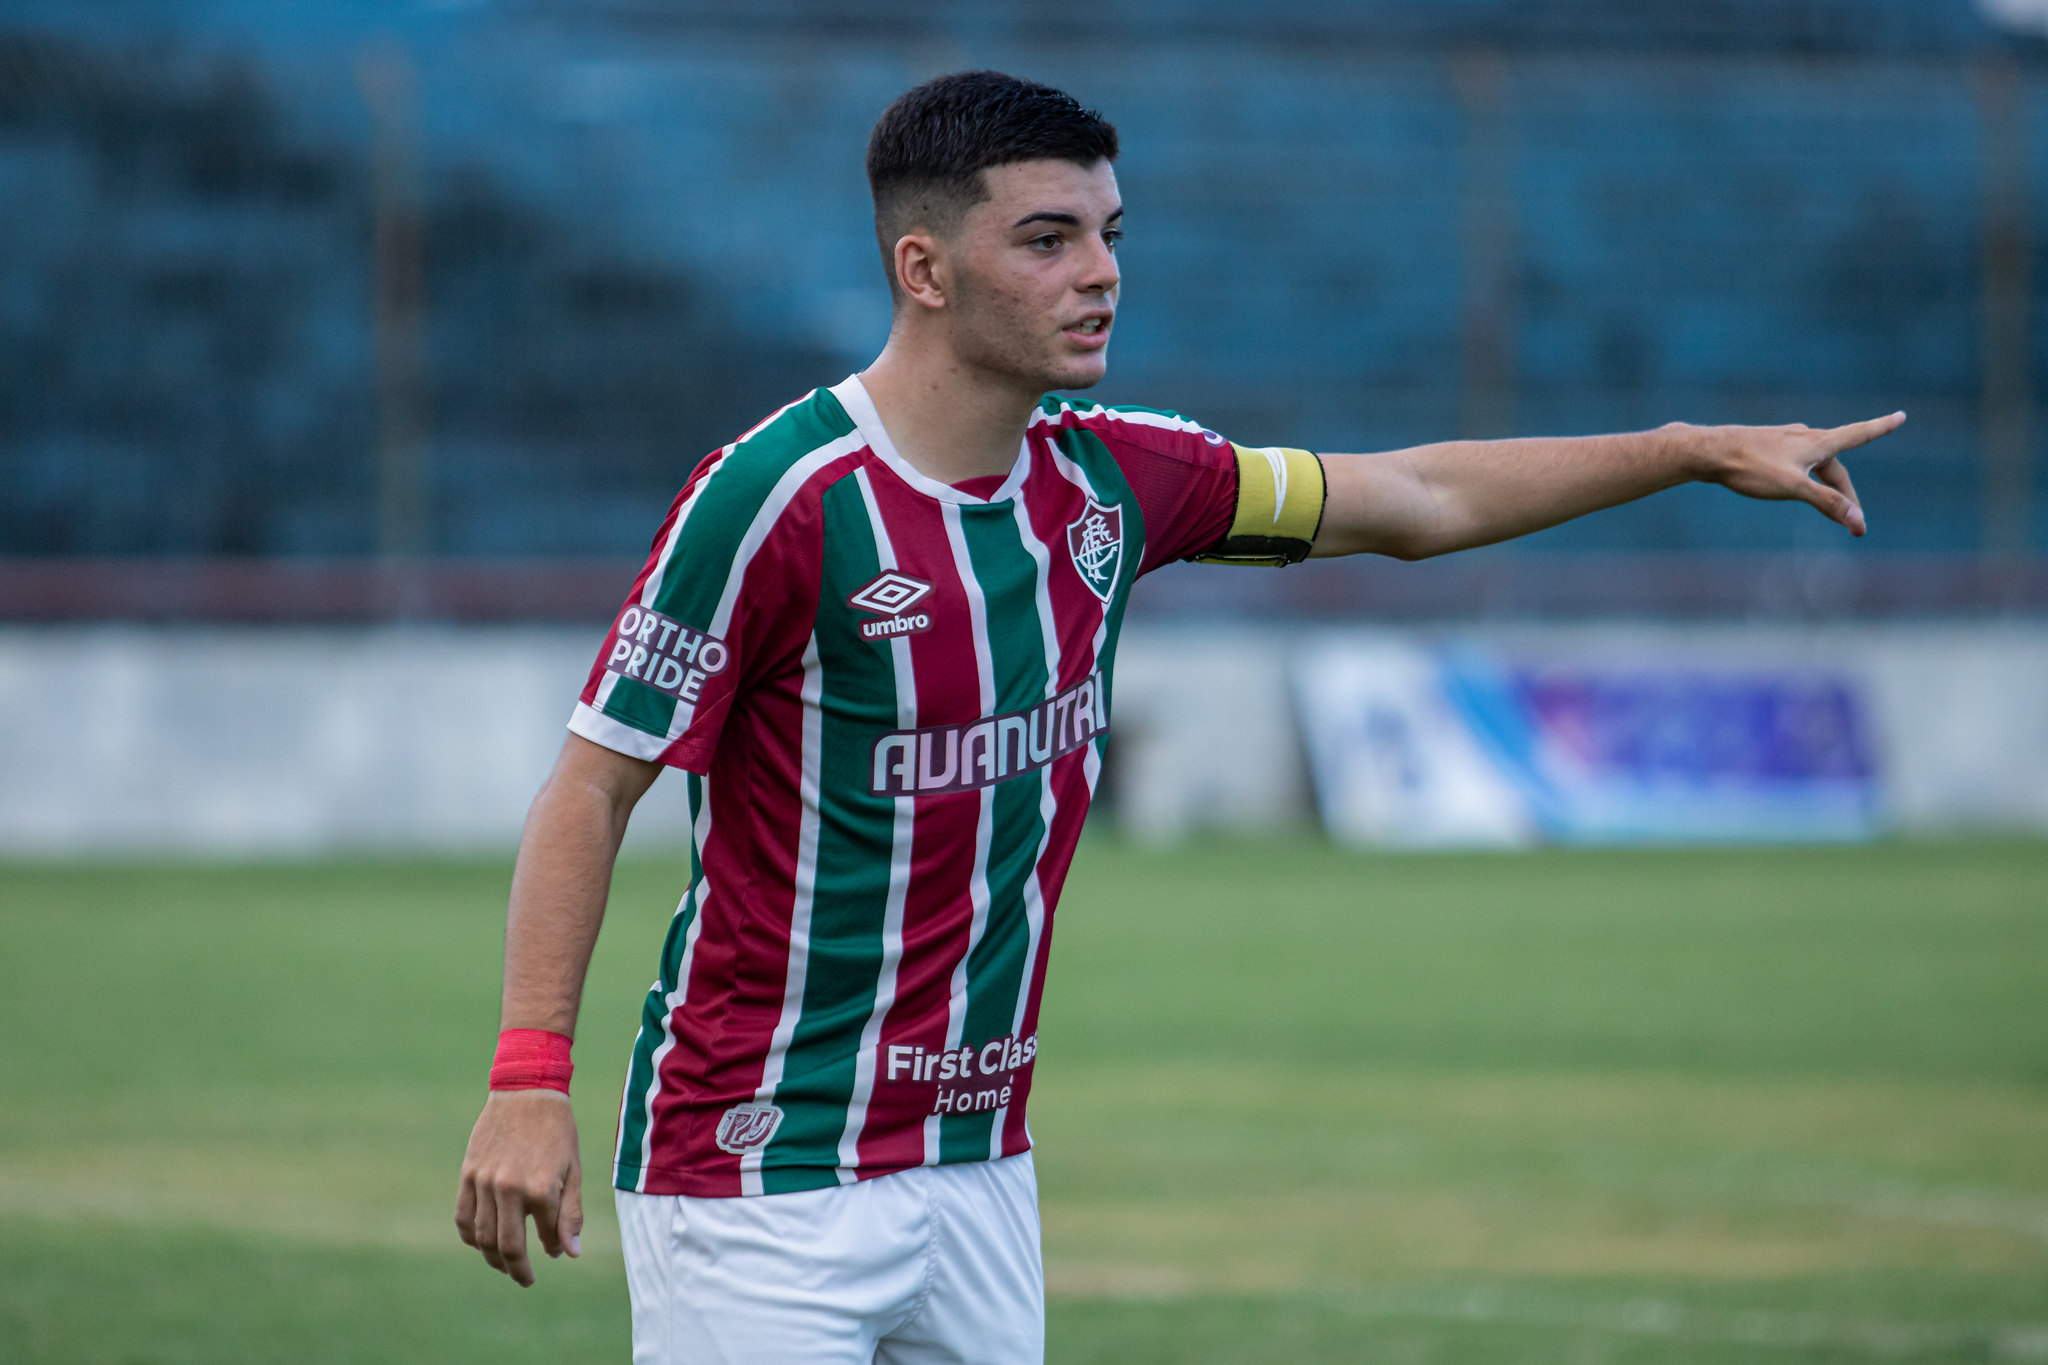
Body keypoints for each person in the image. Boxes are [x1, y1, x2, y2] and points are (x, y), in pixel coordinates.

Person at [455, 69, 1902, 1363]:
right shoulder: (779, 500)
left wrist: (1683, 450)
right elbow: (591, 786)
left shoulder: (1120, 482)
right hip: (755, 1173)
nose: (1101, 275)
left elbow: (1415, 500)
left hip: (976, 1165)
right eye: (1049, 239)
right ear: (925, 268)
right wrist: (530, 1076)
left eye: (1111, 235)